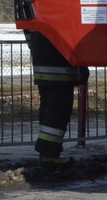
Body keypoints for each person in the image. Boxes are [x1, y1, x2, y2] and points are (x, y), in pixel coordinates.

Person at [24, 30, 89, 165]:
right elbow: (74, 39)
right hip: (61, 69)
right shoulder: (61, 16)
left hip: (42, 68)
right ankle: (49, 153)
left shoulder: (36, 14)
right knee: (58, 111)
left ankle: (47, 151)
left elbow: (29, 36)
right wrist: (81, 64)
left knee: (48, 109)